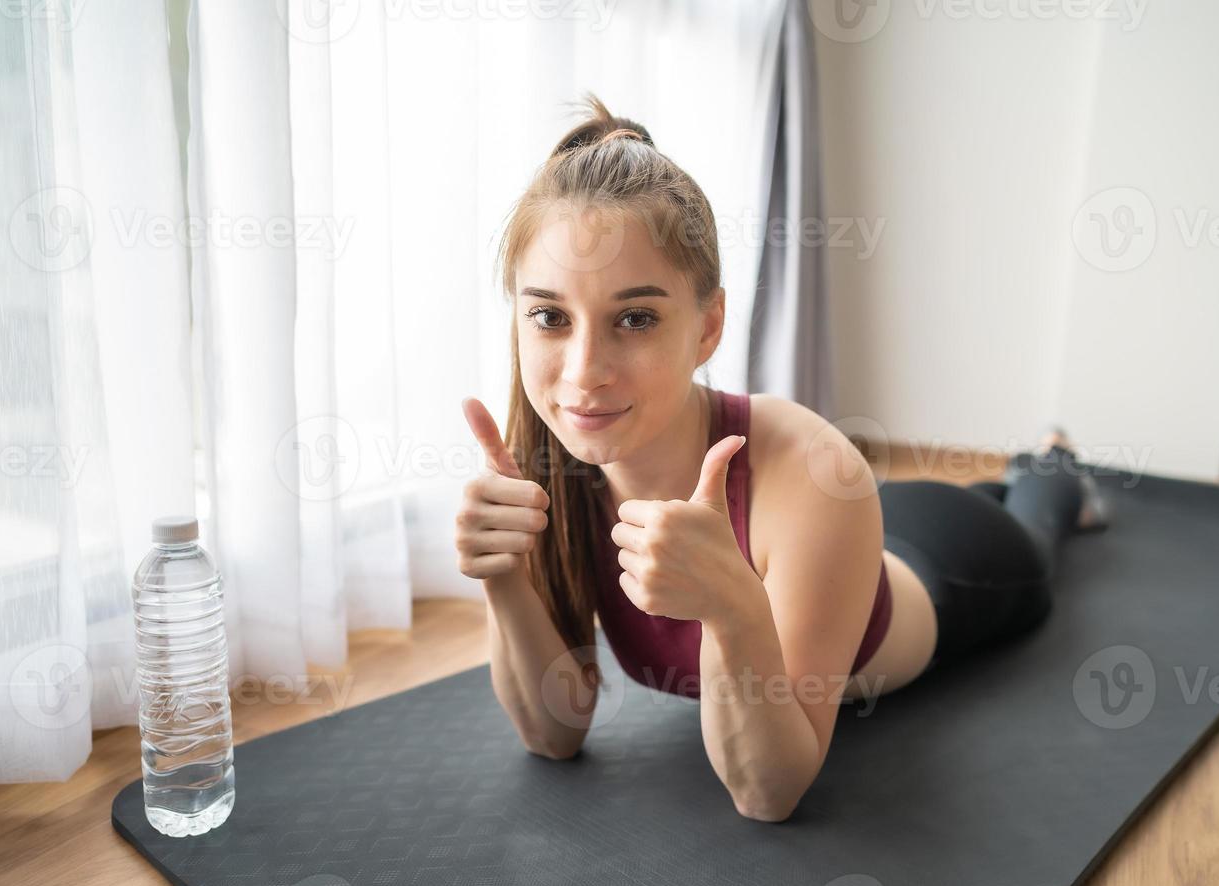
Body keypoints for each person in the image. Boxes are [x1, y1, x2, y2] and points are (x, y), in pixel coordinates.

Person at [455, 95, 1110, 822]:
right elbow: (554, 733)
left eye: (634, 318)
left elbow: (767, 792)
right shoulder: (543, 475)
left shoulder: (808, 462)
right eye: (549, 317)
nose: (583, 373)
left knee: (1038, 530)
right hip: (854, 528)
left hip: (958, 565)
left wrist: (733, 609)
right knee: (882, 509)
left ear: (706, 329)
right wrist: (503, 576)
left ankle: (1051, 467)